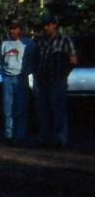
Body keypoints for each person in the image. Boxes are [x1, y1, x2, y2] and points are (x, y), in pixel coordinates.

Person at [33, 13, 77, 149]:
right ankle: (43, 139)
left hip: (57, 81)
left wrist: (62, 74)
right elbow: (35, 60)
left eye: (48, 25)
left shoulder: (65, 41)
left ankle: (60, 141)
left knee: (58, 111)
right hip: (43, 81)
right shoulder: (40, 42)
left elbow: (73, 60)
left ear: (54, 25)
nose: (45, 27)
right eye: (44, 25)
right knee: (43, 112)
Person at [0, 18, 33, 145]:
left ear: (20, 29)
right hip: (7, 79)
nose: (12, 30)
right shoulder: (4, 44)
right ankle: (8, 135)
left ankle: (21, 136)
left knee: (21, 108)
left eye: (15, 28)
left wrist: (27, 72)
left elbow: (33, 60)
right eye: (11, 28)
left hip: (21, 78)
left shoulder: (28, 43)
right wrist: (2, 73)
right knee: (8, 108)